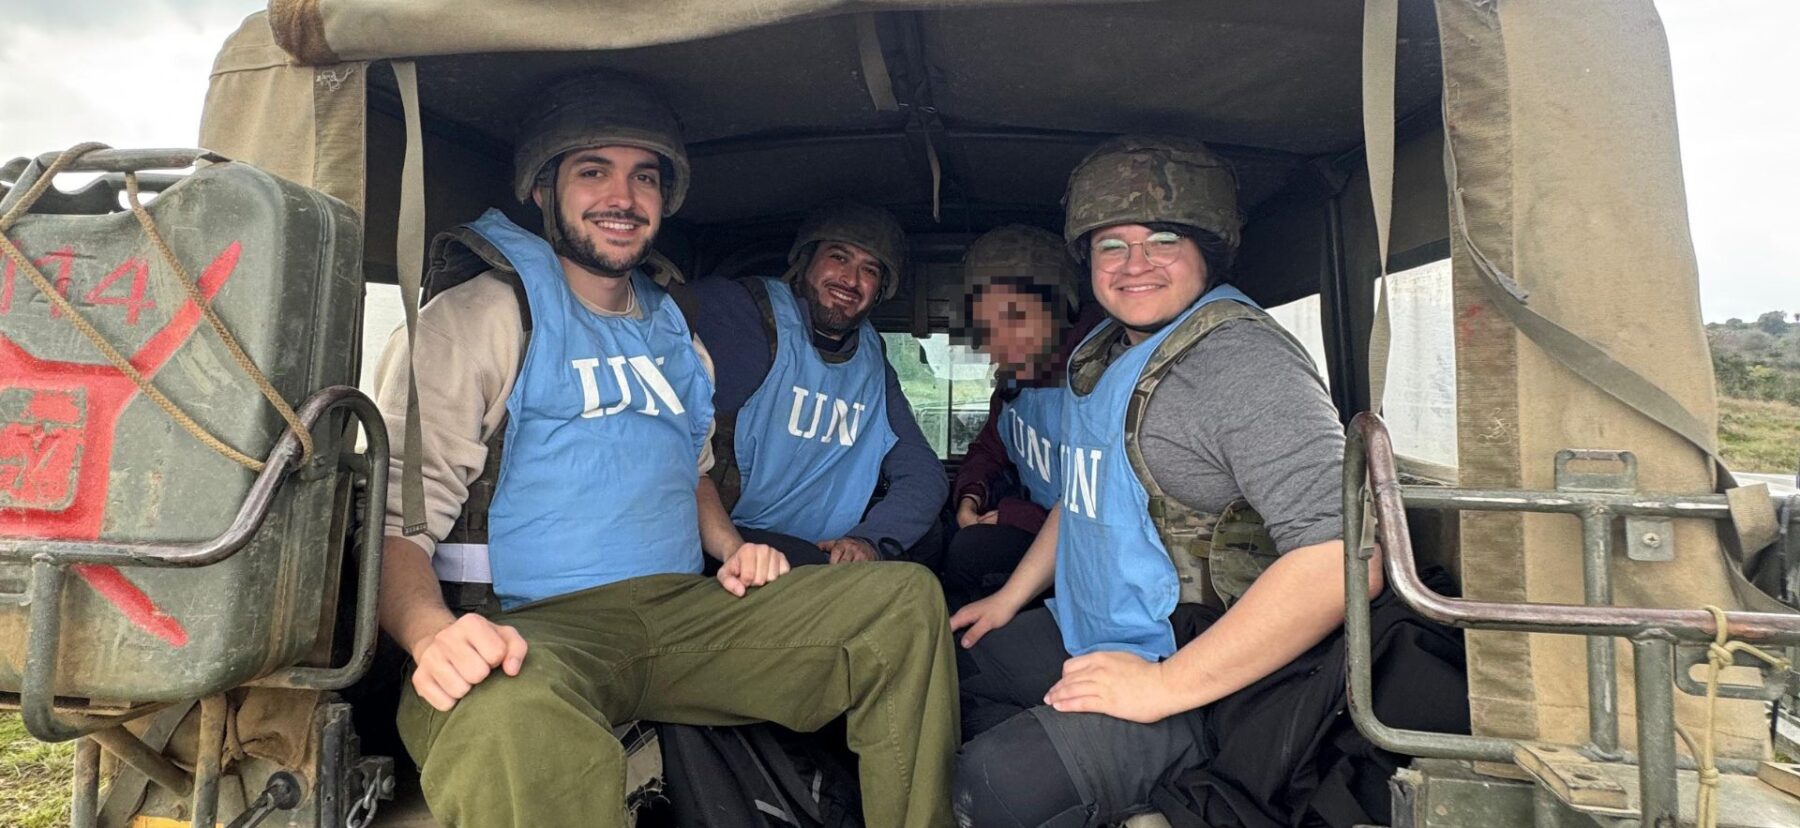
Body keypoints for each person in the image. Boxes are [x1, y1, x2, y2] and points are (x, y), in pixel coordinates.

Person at [372, 72, 957, 828]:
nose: (623, 197)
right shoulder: (482, 317)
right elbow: (395, 522)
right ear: (544, 189)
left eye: (644, 177)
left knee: (903, 602)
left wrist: (732, 548)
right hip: (536, 630)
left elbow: (695, 469)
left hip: (682, 613)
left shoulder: (674, 327)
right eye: (594, 172)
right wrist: (431, 635)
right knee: (502, 720)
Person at [948, 135, 1371, 825]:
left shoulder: (1240, 360)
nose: (1135, 264)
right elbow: (1085, 495)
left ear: (1209, 249)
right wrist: (1009, 600)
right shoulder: (1100, 352)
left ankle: (1156, 793)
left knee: (990, 784)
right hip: (1092, 627)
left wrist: (1161, 688)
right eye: (1111, 245)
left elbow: (1342, 560)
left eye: (1163, 240)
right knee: (953, 672)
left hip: (1202, 674)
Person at [689, 201, 947, 567]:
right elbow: (654, 316)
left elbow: (923, 474)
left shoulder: (872, 361)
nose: (851, 280)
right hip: (727, 538)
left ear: (879, 290)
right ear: (806, 260)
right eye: (838, 257)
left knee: (930, 537)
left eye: (869, 270)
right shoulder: (740, 310)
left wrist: (868, 540)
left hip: (820, 544)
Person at [942, 224, 1101, 609]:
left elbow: (1103, 500)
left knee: (972, 551)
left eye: (1015, 317)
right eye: (987, 326)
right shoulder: (1015, 383)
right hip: (1037, 531)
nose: (999, 341)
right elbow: (988, 450)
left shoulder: (1102, 375)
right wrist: (970, 496)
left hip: (1089, 552)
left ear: (1061, 309)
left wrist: (1015, 515)